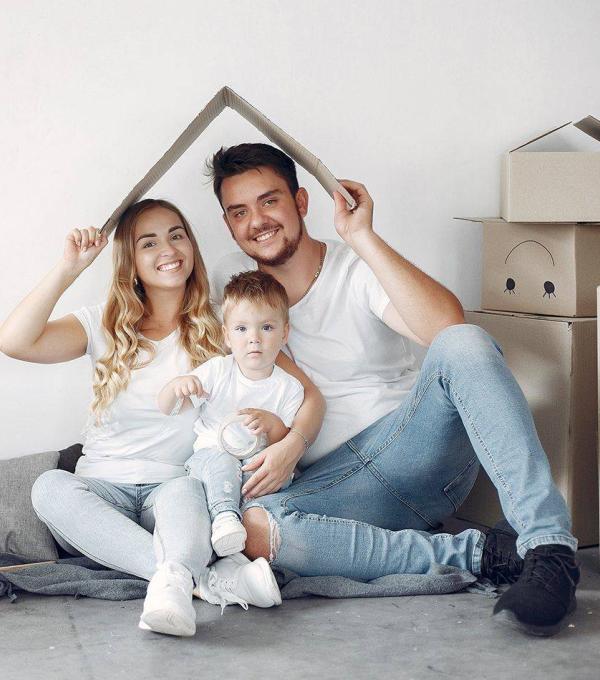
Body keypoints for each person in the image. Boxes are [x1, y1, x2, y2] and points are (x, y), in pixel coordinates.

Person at [207, 143, 580, 637]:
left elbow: (445, 327)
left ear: (300, 201)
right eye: (239, 212)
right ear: (228, 224)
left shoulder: (354, 267)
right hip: (334, 487)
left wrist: (362, 237)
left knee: (463, 342)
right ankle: (487, 555)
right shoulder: (231, 282)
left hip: (412, 455)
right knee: (254, 528)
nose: (257, 221)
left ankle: (549, 549)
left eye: (269, 201)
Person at [0, 198, 324, 637]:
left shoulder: (225, 324)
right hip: (101, 491)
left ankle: (178, 577)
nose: (168, 249)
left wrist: (291, 444)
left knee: (188, 493)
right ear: (130, 261)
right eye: (148, 243)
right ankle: (200, 579)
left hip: (174, 488)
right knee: (49, 487)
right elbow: (14, 342)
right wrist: (69, 268)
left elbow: (309, 397)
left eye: (176, 235)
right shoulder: (103, 323)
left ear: (191, 245)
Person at [158, 269, 304, 558]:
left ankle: (247, 523)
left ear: (284, 333)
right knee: (223, 462)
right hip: (211, 458)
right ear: (226, 335)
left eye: (266, 327)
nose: (254, 339)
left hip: (251, 465)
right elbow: (166, 407)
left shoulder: (290, 387)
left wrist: (272, 424)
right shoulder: (218, 370)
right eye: (241, 329)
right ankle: (225, 518)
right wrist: (177, 387)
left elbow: (285, 443)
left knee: (272, 471)